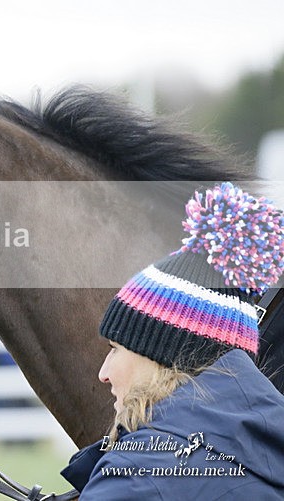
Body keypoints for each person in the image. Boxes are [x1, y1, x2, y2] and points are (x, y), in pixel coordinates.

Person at [61, 182, 284, 499]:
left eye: (115, 348)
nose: (103, 372)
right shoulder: (264, 451)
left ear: (162, 356)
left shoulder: (138, 475)